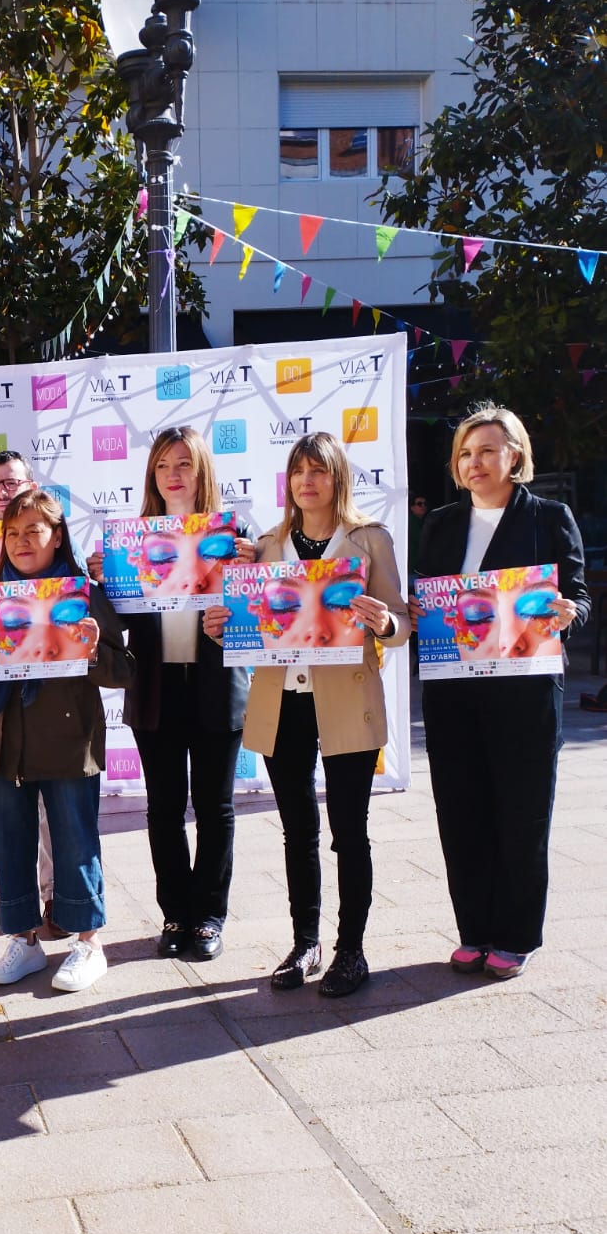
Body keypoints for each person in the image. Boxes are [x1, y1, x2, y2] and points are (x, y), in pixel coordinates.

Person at [210, 433, 408, 998]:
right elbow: (249, 622)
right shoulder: (268, 546)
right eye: (298, 470)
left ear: (338, 478)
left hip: (347, 698)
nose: (306, 481)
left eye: (318, 470)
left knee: (350, 830)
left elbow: (401, 625)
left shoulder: (369, 540)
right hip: (284, 700)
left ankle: (352, 950)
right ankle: (305, 942)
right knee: (298, 829)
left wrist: (383, 623)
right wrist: (228, 628)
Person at [414, 406, 588, 979]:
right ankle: (476, 931)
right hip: (453, 693)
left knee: (522, 813)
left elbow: (580, 596)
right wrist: (415, 613)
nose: (475, 462)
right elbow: (426, 601)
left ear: (515, 455)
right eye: (466, 453)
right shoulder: (439, 523)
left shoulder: (549, 516)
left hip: (525, 694)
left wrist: (569, 611)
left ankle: (516, 934)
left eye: (487, 450)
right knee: (461, 811)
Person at [0, 489, 134, 993]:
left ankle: (88, 942)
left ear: (57, 536)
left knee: (75, 842)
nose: (21, 541)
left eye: (33, 531)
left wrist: (91, 647)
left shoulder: (82, 593)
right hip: (7, 743)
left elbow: (123, 672)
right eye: (11, 533)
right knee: (10, 840)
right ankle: (24, 940)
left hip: (68, 740)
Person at [113, 427, 256, 961]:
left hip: (217, 684)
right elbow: (116, 619)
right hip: (155, 685)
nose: (174, 475)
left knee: (216, 808)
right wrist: (105, 581)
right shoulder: (134, 538)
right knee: (164, 809)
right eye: (163, 466)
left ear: (202, 472)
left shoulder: (236, 532)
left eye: (184, 464)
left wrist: (251, 567)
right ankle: (176, 914)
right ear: (152, 475)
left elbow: (261, 615)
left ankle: (209, 918)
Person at [0, 449, 69, 934]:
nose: (3, 492)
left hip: (49, 704)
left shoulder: (46, 541)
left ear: (31, 484)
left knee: (52, 814)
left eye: (11, 483)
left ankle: (52, 895)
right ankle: (8, 892)